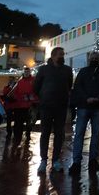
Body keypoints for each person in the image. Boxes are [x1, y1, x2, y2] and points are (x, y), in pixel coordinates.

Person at [68, 51, 99, 175]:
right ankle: (76, 162)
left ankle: (93, 160)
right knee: (79, 133)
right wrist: (87, 98)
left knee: (96, 134)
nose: (94, 58)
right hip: (83, 106)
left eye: (96, 57)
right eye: (92, 57)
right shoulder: (83, 71)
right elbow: (78, 87)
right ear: (89, 58)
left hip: (97, 107)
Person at [34, 47, 73, 175]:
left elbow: (69, 85)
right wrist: (44, 96)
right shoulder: (44, 69)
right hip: (46, 106)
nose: (62, 57)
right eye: (60, 55)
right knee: (45, 133)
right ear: (53, 56)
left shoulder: (67, 70)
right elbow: (36, 86)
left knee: (59, 134)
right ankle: (43, 160)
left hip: (61, 106)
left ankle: (56, 160)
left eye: (63, 54)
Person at [12, 67, 37, 144]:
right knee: (19, 123)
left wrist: (33, 99)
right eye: (25, 71)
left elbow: (37, 91)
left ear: (30, 72)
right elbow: (15, 93)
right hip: (20, 106)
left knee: (29, 122)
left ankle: (28, 135)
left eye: (28, 71)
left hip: (30, 106)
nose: (26, 73)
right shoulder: (20, 81)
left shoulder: (34, 80)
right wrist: (18, 97)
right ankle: (18, 138)